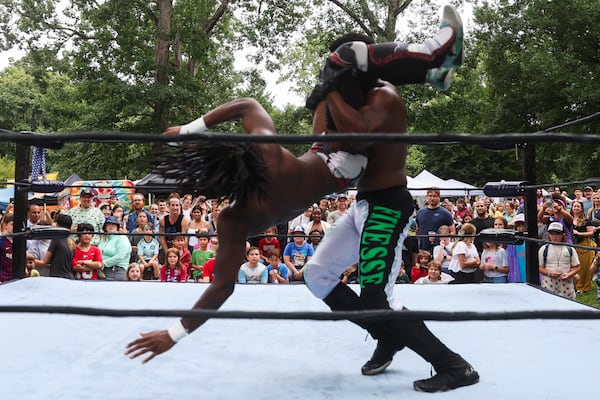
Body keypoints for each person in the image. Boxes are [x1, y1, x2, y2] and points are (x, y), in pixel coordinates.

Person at [302, 6, 477, 392]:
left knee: (376, 294)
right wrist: (324, 97)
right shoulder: (352, 99)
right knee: (316, 275)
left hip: (387, 206)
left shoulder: (384, 95)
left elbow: (361, 138)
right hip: (361, 205)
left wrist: (330, 93)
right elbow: (320, 143)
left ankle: (454, 366)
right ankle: (390, 333)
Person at [126, 94, 366, 361]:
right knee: (331, 88)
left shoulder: (234, 218)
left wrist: (173, 334)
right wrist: (187, 130)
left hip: (339, 164)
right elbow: (247, 105)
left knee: (332, 88)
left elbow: (222, 287)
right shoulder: (268, 152)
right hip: (336, 157)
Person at [538, 222, 580, 299]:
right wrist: (550, 273)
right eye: (552, 234)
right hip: (548, 286)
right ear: (548, 235)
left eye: (557, 234)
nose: (555, 237)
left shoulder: (569, 249)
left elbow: (577, 266)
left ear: (562, 235)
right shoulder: (544, 249)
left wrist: (569, 274)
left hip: (566, 288)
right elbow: (540, 267)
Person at [570, 200, 595, 292]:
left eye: (578, 206)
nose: (576, 208)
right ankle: (574, 286)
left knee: (583, 267)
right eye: (574, 206)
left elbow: (591, 232)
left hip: (583, 244)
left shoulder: (586, 220)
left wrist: (579, 233)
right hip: (572, 244)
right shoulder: (569, 219)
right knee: (573, 265)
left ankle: (583, 287)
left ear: (581, 209)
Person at [98, 216, 132, 280]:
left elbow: (120, 256)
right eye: (108, 224)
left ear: (117, 227)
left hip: (117, 270)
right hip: (102, 270)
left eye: (113, 224)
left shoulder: (122, 238)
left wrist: (102, 263)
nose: (111, 226)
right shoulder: (103, 238)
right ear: (105, 227)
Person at [43, 214, 75, 279]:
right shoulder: (71, 241)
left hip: (58, 278)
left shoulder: (56, 239)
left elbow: (45, 260)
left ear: (57, 225)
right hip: (70, 277)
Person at [0, 213, 14, 282]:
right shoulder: (1, 242)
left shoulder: (19, 243)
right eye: (12, 224)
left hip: (14, 281)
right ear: (5, 225)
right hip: (3, 282)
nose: (15, 227)